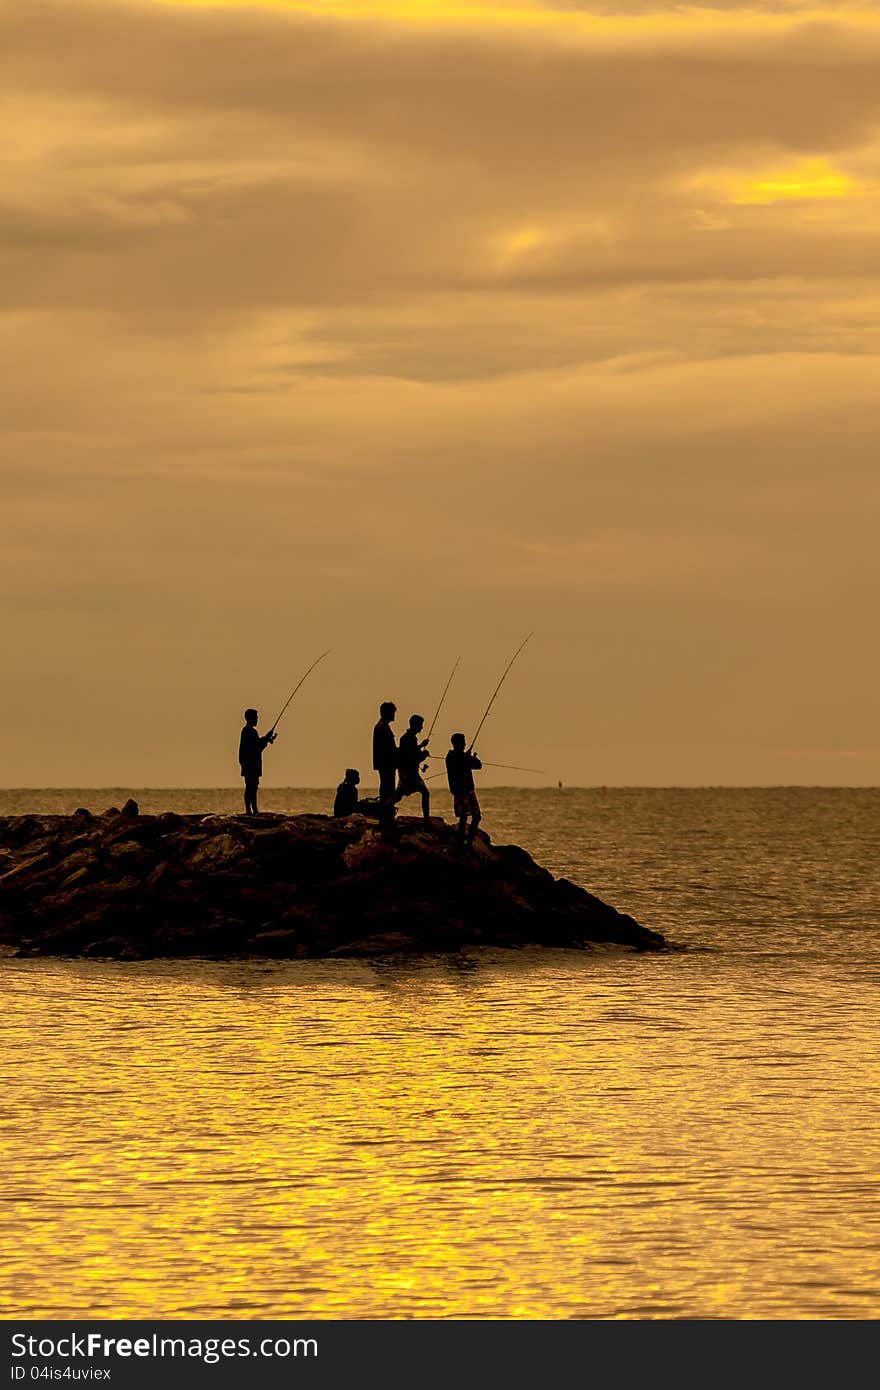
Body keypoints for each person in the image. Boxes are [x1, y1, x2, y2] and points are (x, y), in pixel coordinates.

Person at [445, 733, 482, 845]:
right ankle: (468, 842)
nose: (465, 744)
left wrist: (469, 756)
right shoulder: (458, 757)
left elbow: (477, 765)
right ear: (458, 743)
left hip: (461, 791)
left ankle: (461, 842)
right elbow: (478, 764)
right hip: (464, 791)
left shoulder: (451, 757)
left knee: (464, 818)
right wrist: (470, 757)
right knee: (475, 817)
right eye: (463, 741)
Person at [238, 708, 276, 816]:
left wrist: (267, 739)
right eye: (255, 717)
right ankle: (250, 810)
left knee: (252, 787)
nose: (257, 720)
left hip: (249, 764)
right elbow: (256, 747)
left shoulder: (247, 731)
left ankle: (253, 810)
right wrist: (266, 738)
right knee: (251, 787)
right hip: (251, 764)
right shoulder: (250, 731)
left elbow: (257, 745)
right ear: (250, 718)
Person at [396, 714, 431, 823]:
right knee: (424, 793)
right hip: (409, 774)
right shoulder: (409, 738)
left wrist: (421, 746)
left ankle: (383, 811)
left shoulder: (408, 738)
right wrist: (423, 756)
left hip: (408, 773)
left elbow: (410, 751)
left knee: (397, 796)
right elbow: (411, 759)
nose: (422, 727)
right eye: (420, 725)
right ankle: (426, 821)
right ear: (415, 725)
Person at [372, 701, 398, 825]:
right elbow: (389, 749)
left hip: (384, 764)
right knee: (388, 790)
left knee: (386, 789)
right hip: (387, 764)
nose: (394, 715)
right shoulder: (383, 727)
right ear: (387, 713)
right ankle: (386, 817)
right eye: (393, 712)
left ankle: (386, 816)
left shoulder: (380, 726)